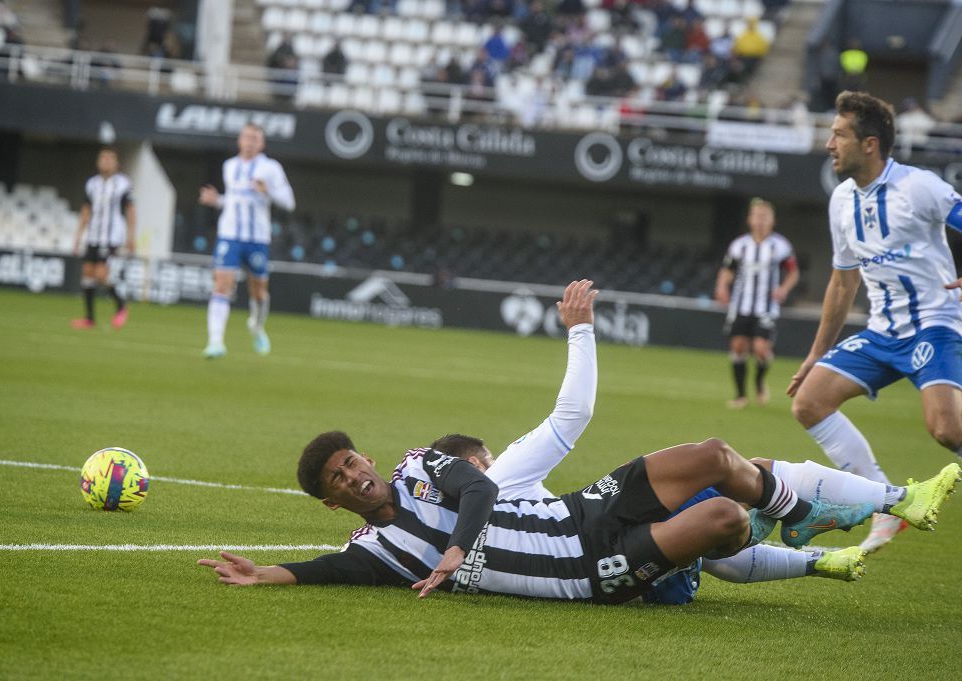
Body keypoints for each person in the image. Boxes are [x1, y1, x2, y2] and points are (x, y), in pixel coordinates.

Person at [200, 280, 959, 603]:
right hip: (589, 568)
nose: (356, 474)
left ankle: (885, 501)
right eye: (340, 477)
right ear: (334, 498)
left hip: (580, 512)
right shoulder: (377, 552)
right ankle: (811, 530)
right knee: (722, 520)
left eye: (352, 459)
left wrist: (461, 552)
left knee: (715, 455)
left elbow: (483, 488)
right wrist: (267, 573)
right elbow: (326, 570)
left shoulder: (424, 466)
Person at [787, 90, 962, 553]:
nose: (829, 143)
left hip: (934, 323)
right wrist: (815, 354)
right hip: (882, 333)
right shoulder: (841, 200)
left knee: (947, 430)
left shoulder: (918, 186)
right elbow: (843, 284)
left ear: (869, 144)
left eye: (839, 134)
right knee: (808, 403)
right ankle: (886, 507)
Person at [198, 123, 295, 358]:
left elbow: (289, 202)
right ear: (239, 140)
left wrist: (268, 190)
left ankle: (257, 327)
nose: (250, 141)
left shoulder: (270, 168)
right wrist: (217, 200)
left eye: (255, 138)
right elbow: (234, 200)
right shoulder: (229, 166)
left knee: (259, 293)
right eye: (246, 136)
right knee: (222, 283)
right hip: (229, 235)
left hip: (257, 238)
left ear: (261, 143)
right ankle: (216, 342)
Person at [714, 198, 799, 408]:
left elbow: (793, 272)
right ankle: (741, 395)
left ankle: (760, 382)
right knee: (738, 347)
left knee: (761, 349)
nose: (760, 220)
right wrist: (722, 287)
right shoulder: (739, 245)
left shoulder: (780, 246)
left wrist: (784, 289)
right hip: (741, 305)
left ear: (773, 221)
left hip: (766, 307)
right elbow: (728, 269)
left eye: (765, 216)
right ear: (749, 220)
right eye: (756, 216)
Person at [71, 148, 135, 330]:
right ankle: (89, 318)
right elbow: (85, 211)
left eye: (110, 158)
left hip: (112, 237)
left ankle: (122, 305)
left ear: (117, 163)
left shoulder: (123, 184)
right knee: (87, 273)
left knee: (101, 274)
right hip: (93, 235)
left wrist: (131, 236)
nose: (106, 161)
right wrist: (78, 235)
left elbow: (131, 210)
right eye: (103, 158)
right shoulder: (92, 184)